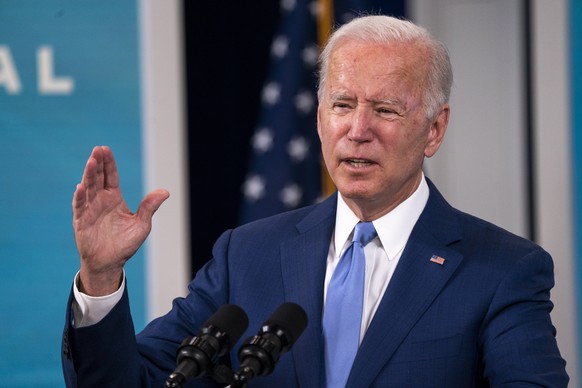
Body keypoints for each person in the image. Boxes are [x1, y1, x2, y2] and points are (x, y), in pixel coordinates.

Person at [61, 15, 568, 387]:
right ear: (321, 116)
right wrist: (101, 279)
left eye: (386, 109)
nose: (358, 130)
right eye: (342, 105)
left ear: (434, 130)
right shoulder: (248, 254)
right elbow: (131, 382)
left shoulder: (502, 270)